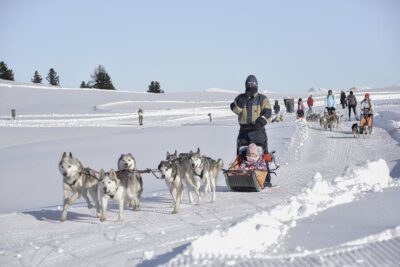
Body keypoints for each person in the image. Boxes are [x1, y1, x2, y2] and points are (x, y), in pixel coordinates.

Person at [230, 74, 272, 187]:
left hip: (258, 131)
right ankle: (239, 178)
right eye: (249, 85)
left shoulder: (262, 98)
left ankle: (265, 178)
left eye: (253, 84)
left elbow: (268, 111)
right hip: (243, 131)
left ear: (257, 85)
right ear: (245, 85)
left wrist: (261, 120)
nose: (251, 86)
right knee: (241, 154)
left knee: (263, 154)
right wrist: (242, 100)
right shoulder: (240, 98)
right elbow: (235, 109)